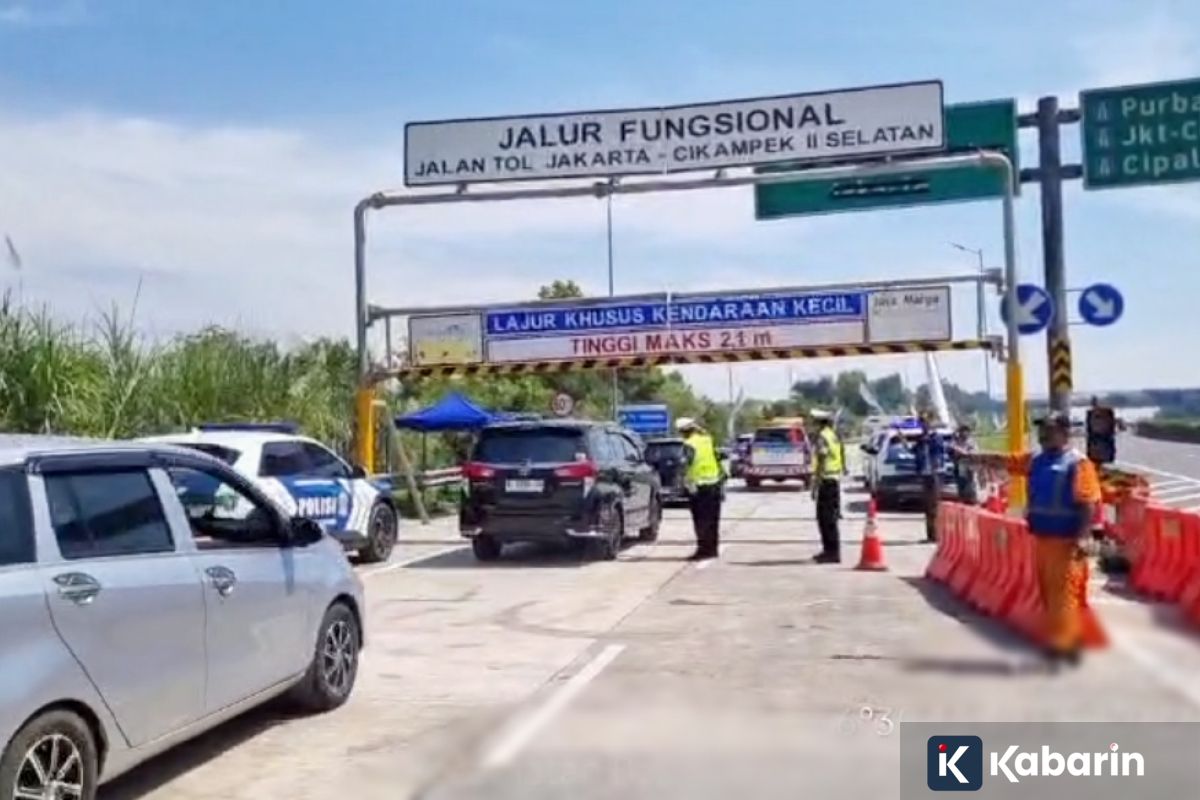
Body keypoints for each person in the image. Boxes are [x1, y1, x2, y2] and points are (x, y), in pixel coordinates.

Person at [970, 412, 1101, 668]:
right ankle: (1063, 641)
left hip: (1068, 542)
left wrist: (1082, 537)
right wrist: (972, 457)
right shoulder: (1037, 461)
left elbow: (1088, 503)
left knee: (1065, 593)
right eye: (1041, 431)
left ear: (1065, 433)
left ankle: (1064, 646)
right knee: (1049, 593)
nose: (1043, 436)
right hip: (1042, 539)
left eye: (1049, 430)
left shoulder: (1079, 464)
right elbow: (1005, 461)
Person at [678, 417, 723, 561]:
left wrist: (682, 482)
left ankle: (703, 550)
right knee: (713, 520)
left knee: (701, 521)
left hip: (699, 487)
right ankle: (712, 549)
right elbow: (718, 457)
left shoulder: (689, 444)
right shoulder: (707, 440)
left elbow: (685, 464)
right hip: (714, 484)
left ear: (683, 432)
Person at [810, 409, 843, 563]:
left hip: (826, 481)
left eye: (814, 422)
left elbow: (822, 459)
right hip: (834, 479)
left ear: (819, 423)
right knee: (830, 519)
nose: (812, 425)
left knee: (825, 519)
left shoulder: (822, 437)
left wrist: (815, 484)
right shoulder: (832, 435)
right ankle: (830, 551)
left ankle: (831, 553)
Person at [913, 411, 946, 542]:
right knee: (928, 506)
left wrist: (927, 440)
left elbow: (938, 451)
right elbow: (914, 451)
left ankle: (937, 535)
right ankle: (930, 535)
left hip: (935, 474)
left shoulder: (936, 437)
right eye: (921, 423)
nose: (923, 426)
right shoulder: (921, 439)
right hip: (925, 474)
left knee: (935, 506)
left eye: (925, 422)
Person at [949, 424, 979, 505]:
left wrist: (960, 450)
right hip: (958, 463)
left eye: (965, 431)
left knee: (968, 483)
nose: (963, 433)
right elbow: (951, 447)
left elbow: (972, 452)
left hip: (967, 463)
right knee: (960, 483)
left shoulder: (971, 441)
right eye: (961, 431)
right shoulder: (957, 441)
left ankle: (971, 499)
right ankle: (962, 498)